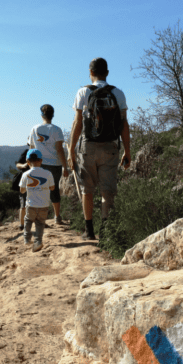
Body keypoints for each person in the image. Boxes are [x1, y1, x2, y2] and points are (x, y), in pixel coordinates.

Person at [68, 57, 131, 240]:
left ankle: (89, 232)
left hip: (88, 146)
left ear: (91, 73)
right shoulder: (118, 93)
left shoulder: (83, 92)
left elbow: (77, 124)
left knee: (87, 189)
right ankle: (106, 232)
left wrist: (71, 150)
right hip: (111, 145)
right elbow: (124, 124)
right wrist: (127, 150)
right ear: (107, 73)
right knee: (107, 191)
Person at [27, 104, 69, 225]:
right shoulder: (56, 129)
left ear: (42, 115)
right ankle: (57, 217)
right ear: (53, 114)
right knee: (53, 189)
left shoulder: (35, 129)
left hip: (38, 163)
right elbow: (59, 149)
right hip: (54, 164)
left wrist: (30, 164)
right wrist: (65, 167)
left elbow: (32, 147)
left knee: (39, 190)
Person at [19, 149, 55, 252]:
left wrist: (30, 186)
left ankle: (26, 239)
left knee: (28, 220)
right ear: (41, 160)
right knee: (40, 223)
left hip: (31, 205)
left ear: (28, 162)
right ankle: (38, 241)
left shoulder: (25, 174)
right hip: (44, 205)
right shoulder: (48, 173)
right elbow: (52, 188)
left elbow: (22, 191)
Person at [13, 147, 30, 231]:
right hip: (25, 180)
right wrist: (24, 165)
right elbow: (18, 164)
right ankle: (22, 224)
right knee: (23, 203)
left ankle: (40, 222)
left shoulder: (42, 150)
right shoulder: (27, 152)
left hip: (37, 179)